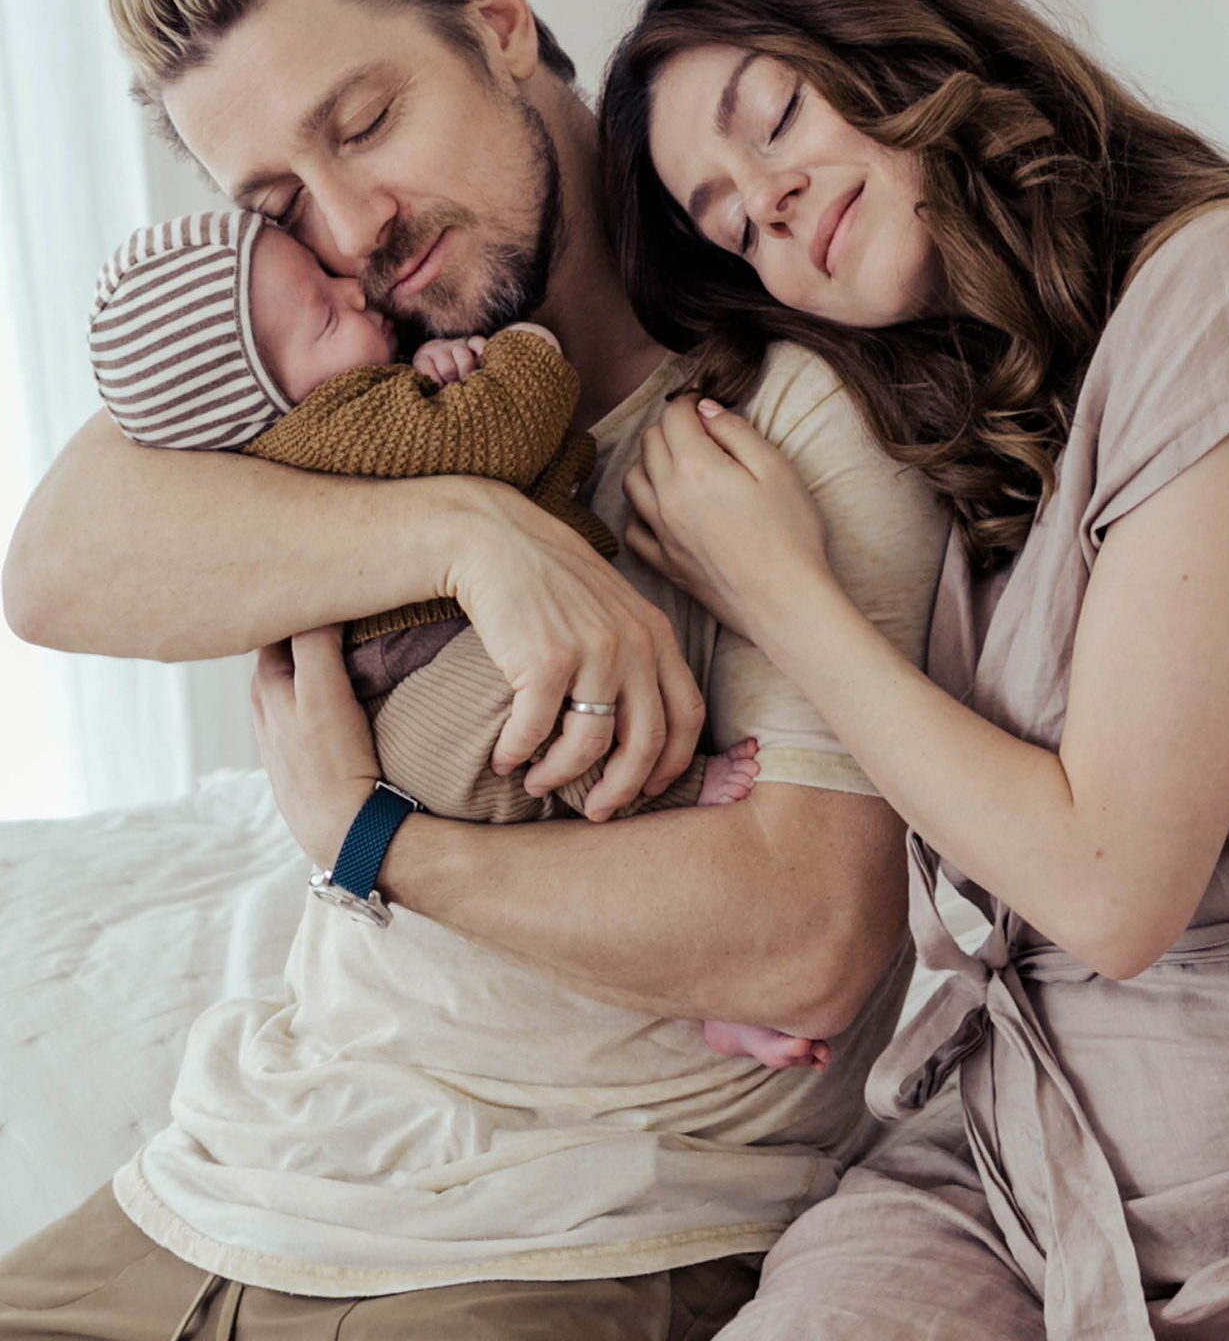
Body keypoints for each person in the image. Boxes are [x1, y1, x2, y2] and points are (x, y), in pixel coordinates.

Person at [0, 0, 946, 1337]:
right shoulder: (345, 376)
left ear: (496, 22)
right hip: (216, 1187)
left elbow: (808, 942)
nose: (351, 229)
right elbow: (51, 571)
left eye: (365, 125)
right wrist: (471, 540)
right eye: (280, 204)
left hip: (553, 1242)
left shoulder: (778, 412)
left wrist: (367, 836)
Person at [597, 0, 1229, 1339]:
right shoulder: (983, 428)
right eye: (731, 222)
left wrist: (784, 594)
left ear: (904, 42)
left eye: (775, 114)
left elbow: (1108, 886)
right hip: (1009, 1172)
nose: (771, 204)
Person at [88, 207, 798, 1067]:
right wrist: (524, 350)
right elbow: (490, 438)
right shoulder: (324, 428)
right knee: (556, 715)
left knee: (561, 883)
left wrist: (430, 365)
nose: (357, 287)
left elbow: (423, 437)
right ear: (267, 399)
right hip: (419, 699)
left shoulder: (332, 409)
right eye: (323, 313)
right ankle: (672, 797)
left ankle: (711, 1003)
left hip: (409, 691)